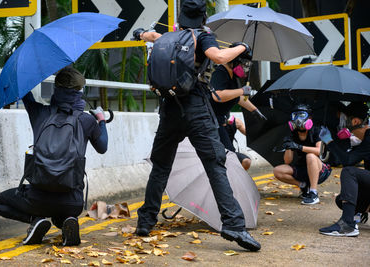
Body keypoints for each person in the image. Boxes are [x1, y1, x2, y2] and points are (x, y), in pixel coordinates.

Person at [132, 0, 261, 251]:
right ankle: (234, 225)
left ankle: (145, 222)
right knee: (215, 165)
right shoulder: (203, 37)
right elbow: (219, 56)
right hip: (196, 110)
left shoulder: (168, 36)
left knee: (160, 167)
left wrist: (140, 34)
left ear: (180, 17)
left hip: (169, 109)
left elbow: (148, 35)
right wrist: (243, 46)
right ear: (203, 17)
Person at [0, 66, 108, 246]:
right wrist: (100, 120)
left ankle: (36, 220)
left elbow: (25, 93)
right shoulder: (86, 120)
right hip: (73, 201)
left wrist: (19, 73)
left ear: (56, 89)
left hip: (38, 199)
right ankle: (67, 223)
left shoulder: (39, 113)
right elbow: (103, 147)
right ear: (80, 92)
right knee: (62, 214)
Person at [209, 51, 267, 171]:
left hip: (222, 121)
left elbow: (237, 97)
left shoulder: (233, 76)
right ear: (233, 61)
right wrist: (241, 90)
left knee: (230, 157)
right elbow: (217, 95)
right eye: (244, 64)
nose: (245, 68)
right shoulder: (220, 73)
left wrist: (255, 111)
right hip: (211, 122)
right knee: (229, 158)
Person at [319, 102, 370, 237]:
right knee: (341, 199)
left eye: (343, 119)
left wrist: (330, 142)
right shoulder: (365, 140)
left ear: (355, 121)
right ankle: (356, 214)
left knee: (349, 172)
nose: (341, 123)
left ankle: (347, 224)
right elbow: (348, 158)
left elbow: (348, 162)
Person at [273, 104, 332, 205]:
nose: (298, 119)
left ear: (309, 118)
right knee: (277, 170)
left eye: (301, 115)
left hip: (320, 169)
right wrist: (289, 146)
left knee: (310, 156)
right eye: (295, 115)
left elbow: (319, 151)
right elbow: (287, 161)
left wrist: (299, 147)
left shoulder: (316, 131)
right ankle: (303, 186)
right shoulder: (292, 135)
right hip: (303, 169)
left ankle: (313, 193)